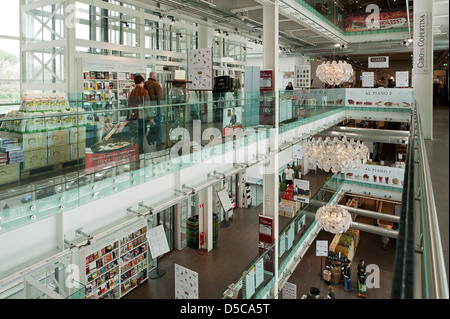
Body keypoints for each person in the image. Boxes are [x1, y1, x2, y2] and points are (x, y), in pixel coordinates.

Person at [144, 71, 164, 149]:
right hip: (155, 108)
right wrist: (161, 109)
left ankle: (142, 144)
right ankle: (159, 141)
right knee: (158, 124)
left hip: (147, 108)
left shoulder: (145, 84)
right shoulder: (157, 85)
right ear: (154, 77)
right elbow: (160, 98)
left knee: (145, 125)